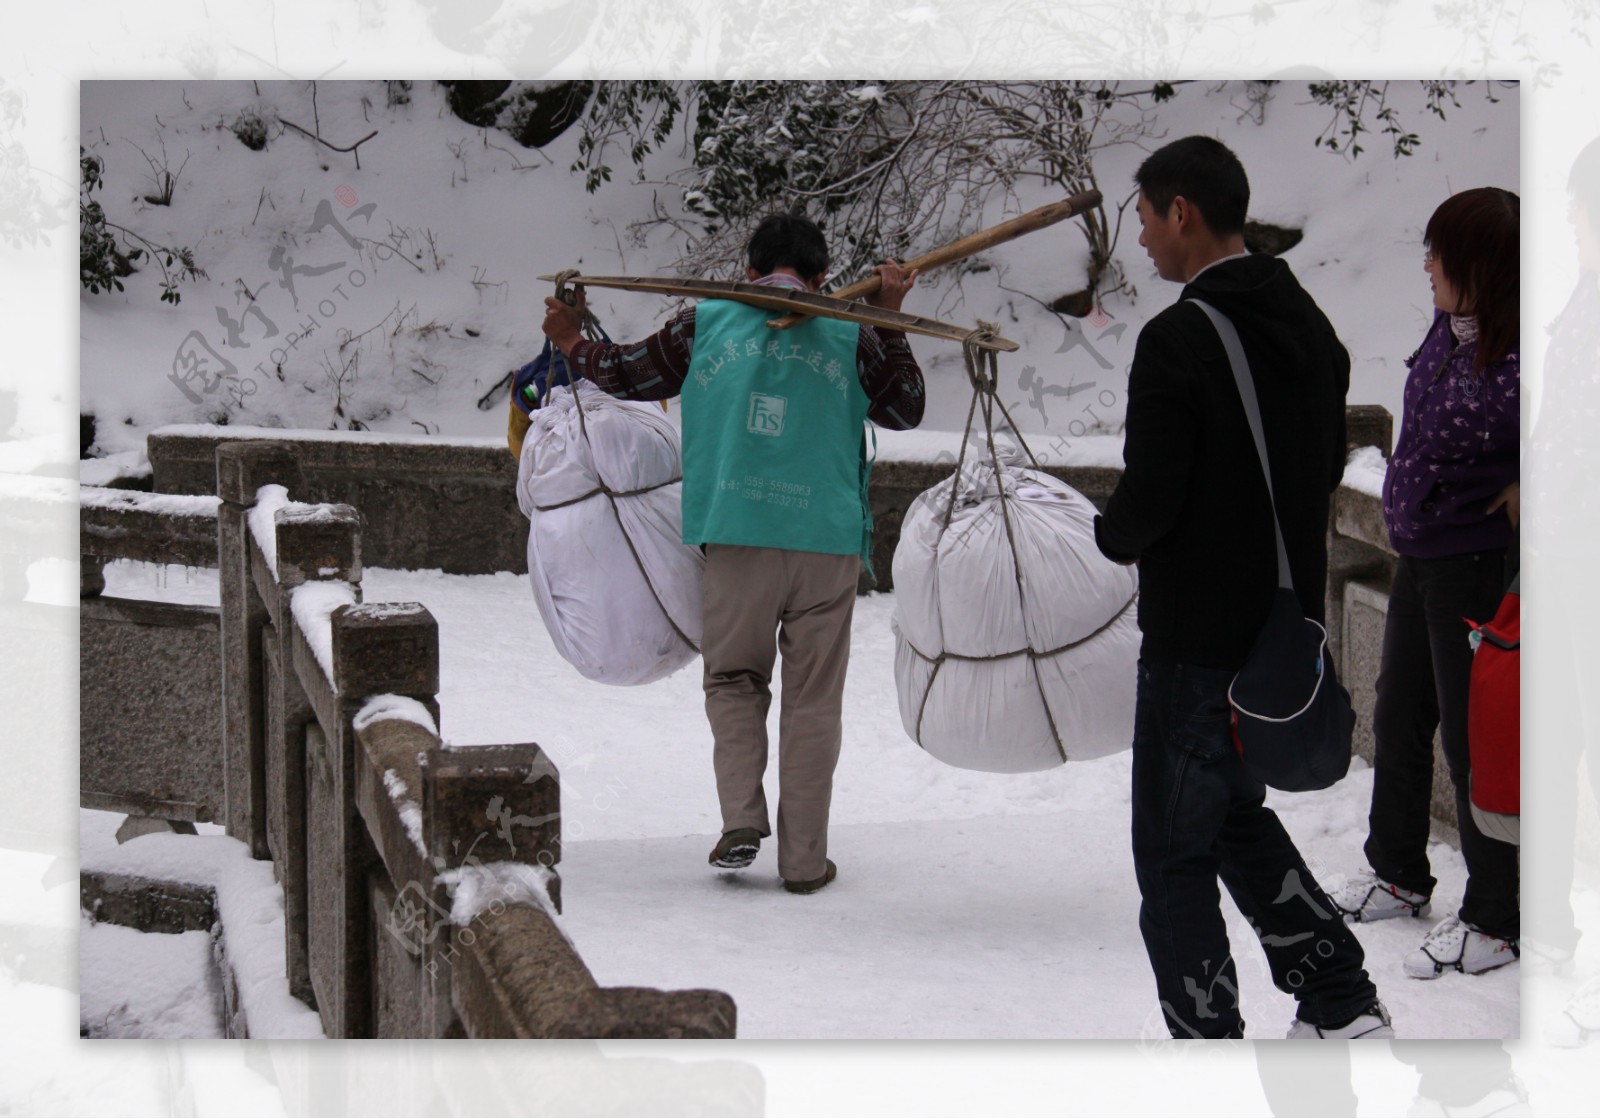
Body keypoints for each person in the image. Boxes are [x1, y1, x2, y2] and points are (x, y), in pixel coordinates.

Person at [1094, 135, 1391, 1039]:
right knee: (1230, 820)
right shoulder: (1309, 324)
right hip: (1280, 637)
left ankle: (1208, 1042)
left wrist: (1107, 533)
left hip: (1195, 646)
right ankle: (1338, 992)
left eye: (1144, 217)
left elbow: (1149, 501)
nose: (1140, 238)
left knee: (1173, 852)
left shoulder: (1178, 339)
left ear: (1182, 212)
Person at [541, 213, 924, 895]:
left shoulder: (707, 322)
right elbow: (905, 407)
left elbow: (628, 374)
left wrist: (572, 342)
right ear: (822, 276)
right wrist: (890, 317)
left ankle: (742, 819)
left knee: (735, 678)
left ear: (749, 270)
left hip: (738, 529)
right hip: (825, 541)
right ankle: (805, 861)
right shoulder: (850, 329)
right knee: (812, 700)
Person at [1331, 189, 1522, 979]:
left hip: (1475, 564)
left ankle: (1498, 914)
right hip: (1419, 551)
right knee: (1399, 710)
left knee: (1476, 742)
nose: (1427, 267)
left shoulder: (1525, 357)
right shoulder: (1452, 327)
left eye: (1439, 253)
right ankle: (1399, 871)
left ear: (1481, 267)